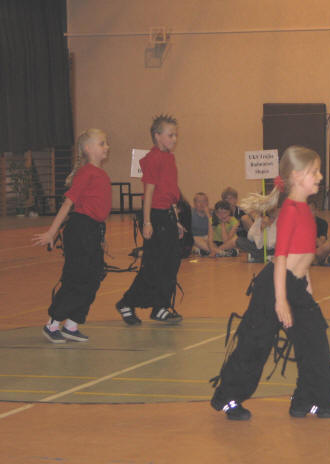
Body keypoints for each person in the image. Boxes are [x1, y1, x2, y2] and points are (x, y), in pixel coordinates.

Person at [210, 146, 330, 420]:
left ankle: (307, 400)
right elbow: (280, 258)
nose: (320, 176)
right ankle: (229, 398)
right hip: (274, 287)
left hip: (296, 285)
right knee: (255, 344)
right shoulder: (290, 210)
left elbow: (304, 258)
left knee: (314, 341)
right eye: (314, 171)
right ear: (296, 176)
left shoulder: (304, 210)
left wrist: (308, 289)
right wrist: (280, 300)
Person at [34, 129, 111, 343]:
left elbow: (98, 209)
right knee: (77, 277)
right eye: (102, 143)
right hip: (80, 231)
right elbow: (68, 203)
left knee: (94, 277)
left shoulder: (101, 174)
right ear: (88, 148)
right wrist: (52, 232)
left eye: (106, 143)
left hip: (93, 231)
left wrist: (101, 237)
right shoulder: (86, 173)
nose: (107, 147)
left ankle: (72, 324)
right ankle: (52, 323)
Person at [116, 115, 184, 325]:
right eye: (170, 135)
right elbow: (149, 192)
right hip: (155, 215)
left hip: (167, 215)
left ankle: (160, 307)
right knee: (154, 265)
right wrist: (147, 222)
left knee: (171, 263)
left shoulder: (169, 158)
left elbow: (169, 191)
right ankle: (127, 302)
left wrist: (176, 219)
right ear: (157, 136)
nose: (174, 139)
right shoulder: (153, 159)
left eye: (175, 135)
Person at [309, 200, 330, 266]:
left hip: (318, 251)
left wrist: (313, 239)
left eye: (312, 210)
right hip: (304, 253)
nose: (309, 213)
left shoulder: (322, 223)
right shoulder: (300, 223)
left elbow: (321, 242)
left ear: (316, 211)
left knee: (328, 246)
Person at [191, 192, 214, 256]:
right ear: (194, 203)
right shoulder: (190, 214)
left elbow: (215, 229)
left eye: (204, 201)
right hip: (196, 238)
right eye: (199, 201)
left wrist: (208, 215)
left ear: (207, 203)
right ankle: (217, 251)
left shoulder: (212, 213)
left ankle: (203, 251)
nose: (202, 204)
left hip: (208, 238)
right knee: (194, 239)